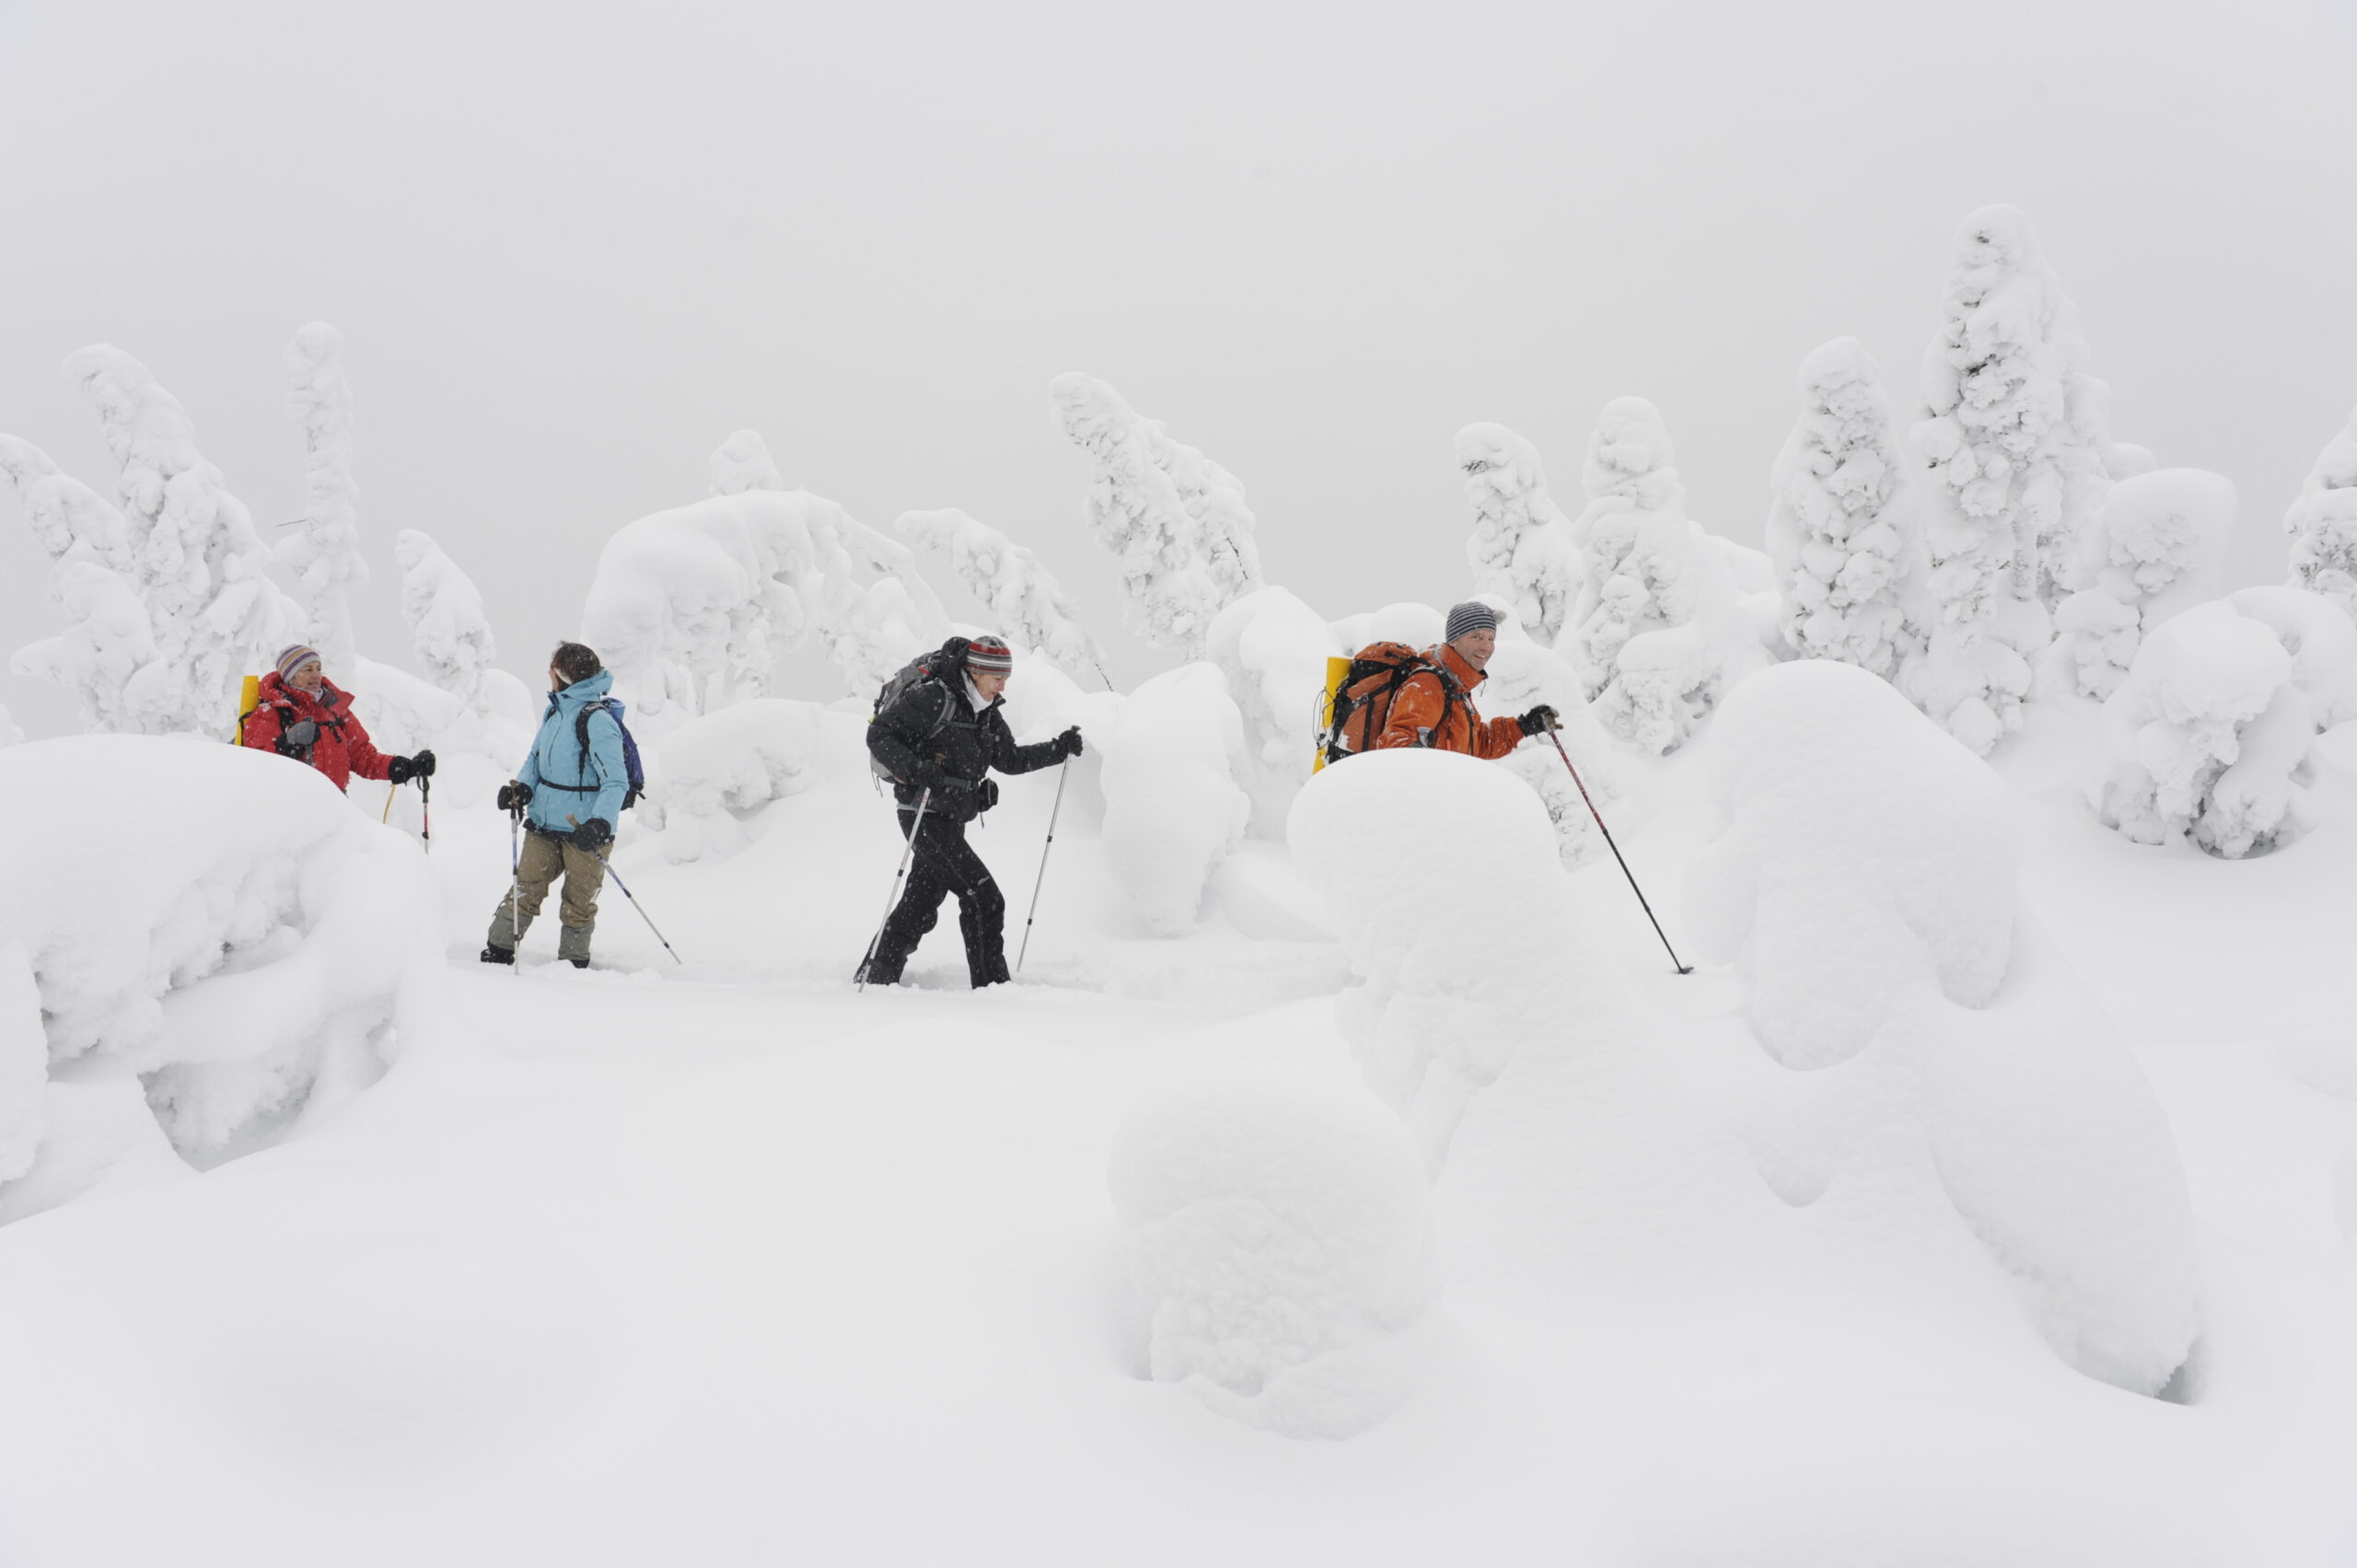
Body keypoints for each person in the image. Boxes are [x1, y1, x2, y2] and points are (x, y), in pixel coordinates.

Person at [859, 635, 1083, 989]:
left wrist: (1058, 749)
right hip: (923, 813)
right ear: (976, 671)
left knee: (920, 905)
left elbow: (1009, 759)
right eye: (997, 678)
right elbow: (880, 735)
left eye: (1006, 677)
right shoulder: (933, 698)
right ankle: (992, 988)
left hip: (950, 816)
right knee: (983, 896)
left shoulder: (986, 713)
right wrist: (917, 768)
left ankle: (875, 975)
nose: (1003, 685)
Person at [481, 642, 627, 970]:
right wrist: (521, 789)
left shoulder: (597, 720)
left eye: (553, 667)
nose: (548, 672)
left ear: (563, 674)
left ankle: (573, 966)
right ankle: (496, 954)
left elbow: (616, 781)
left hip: (585, 831)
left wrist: (600, 823)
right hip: (545, 824)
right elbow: (535, 759)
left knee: (578, 903)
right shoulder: (555, 711)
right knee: (525, 889)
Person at [240, 644, 435, 792]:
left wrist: (406, 767)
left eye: (318, 668)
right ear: (289, 676)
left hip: (336, 804)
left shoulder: (335, 711)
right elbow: (260, 764)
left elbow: (364, 758)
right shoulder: (271, 713)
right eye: (307, 670)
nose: (316, 675)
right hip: (291, 807)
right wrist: (289, 744)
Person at [1376, 601, 1558, 756]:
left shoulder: (1455, 686)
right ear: (1454, 640)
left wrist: (1522, 727)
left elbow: (1476, 742)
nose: (1486, 647)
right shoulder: (1428, 684)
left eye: (1491, 639)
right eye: (1476, 637)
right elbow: (1396, 744)